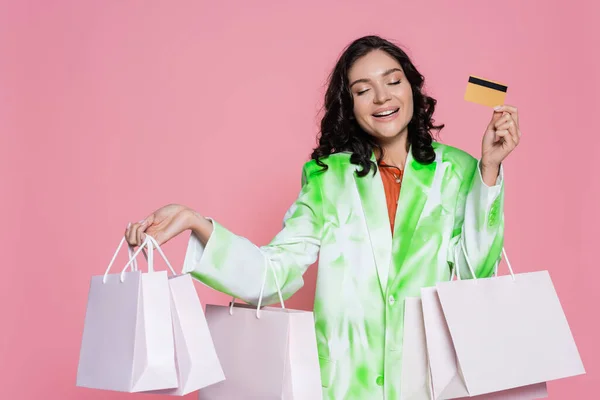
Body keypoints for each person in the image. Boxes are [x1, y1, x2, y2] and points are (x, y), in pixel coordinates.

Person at [125, 35, 520, 399]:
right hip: (342, 388)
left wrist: (488, 170)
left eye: (393, 81)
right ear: (350, 106)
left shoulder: (459, 171)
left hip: (429, 385)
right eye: (363, 90)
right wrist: (197, 222)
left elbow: (474, 275)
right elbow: (271, 277)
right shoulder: (327, 179)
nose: (381, 97)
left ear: (412, 88)